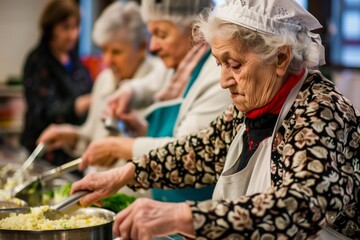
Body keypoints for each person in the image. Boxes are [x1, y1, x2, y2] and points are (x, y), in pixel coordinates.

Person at [71, 0, 360, 239]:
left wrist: (183, 216)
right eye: (219, 64)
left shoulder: (321, 112)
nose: (224, 81)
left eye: (234, 64)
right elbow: (202, 152)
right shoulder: (250, 109)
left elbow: (300, 207)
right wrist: (124, 174)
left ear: (281, 58)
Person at [77, 0, 231, 203]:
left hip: (196, 211)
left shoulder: (218, 75)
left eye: (162, 34)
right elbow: (150, 84)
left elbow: (188, 153)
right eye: (152, 34)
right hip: (167, 202)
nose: (153, 46)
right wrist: (128, 93)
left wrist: (119, 146)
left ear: (196, 28)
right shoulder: (182, 66)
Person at [37, 1, 166, 180]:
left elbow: (164, 152)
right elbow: (92, 138)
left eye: (116, 52)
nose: (107, 60)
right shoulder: (105, 79)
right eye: (104, 50)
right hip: (96, 185)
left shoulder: (161, 79)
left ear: (143, 47)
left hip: (134, 193)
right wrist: (71, 136)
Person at [21, 0, 93, 166]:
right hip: (44, 151)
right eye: (65, 28)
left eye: (75, 27)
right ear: (50, 29)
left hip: (73, 151)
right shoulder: (37, 61)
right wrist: (79, 104)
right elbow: (43, 111)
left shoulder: (75, 61)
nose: (72, 35)